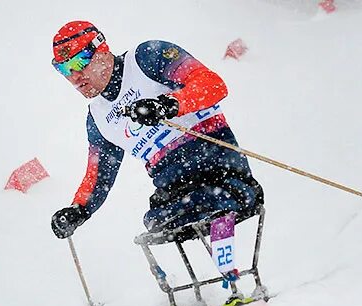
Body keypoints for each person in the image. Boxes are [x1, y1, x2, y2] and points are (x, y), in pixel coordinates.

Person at [50, 21, 263, 241]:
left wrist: (167, 105)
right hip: (176, 197)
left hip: (220, 170)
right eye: (64, 68)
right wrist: (79, 210)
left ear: (101, 50)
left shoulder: (147, 58)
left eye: (79, 61)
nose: (74, 76)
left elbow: (213, 84)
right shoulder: (98, 118)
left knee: (214, 199)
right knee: (154, 221)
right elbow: (98, 176)